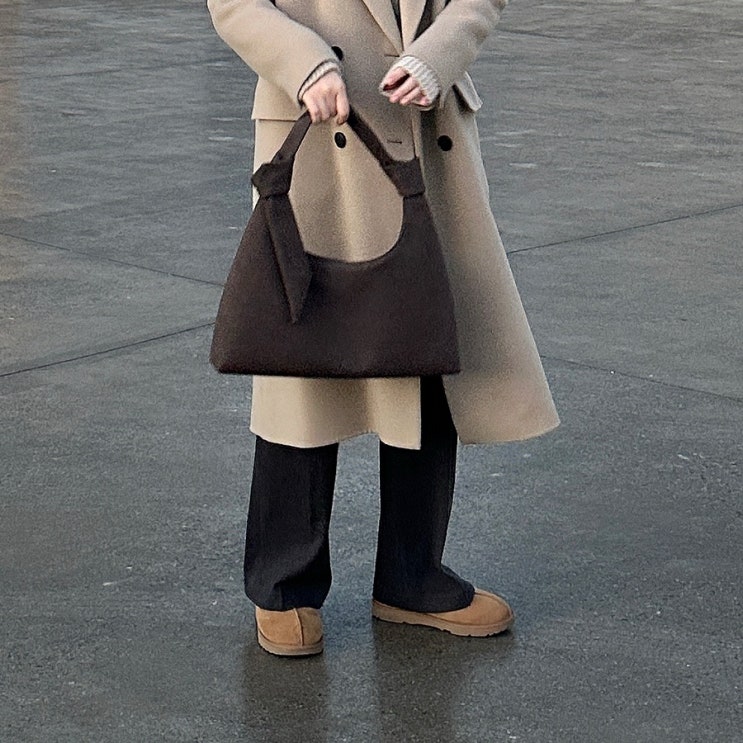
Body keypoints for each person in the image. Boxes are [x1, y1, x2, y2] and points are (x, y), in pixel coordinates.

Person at [207, 0, 559, 656]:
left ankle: (412, 576)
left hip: (424, 129)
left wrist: (439, 55)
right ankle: (284, 585)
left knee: (426, 350)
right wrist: (304, 64)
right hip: (320, 128)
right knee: (303, 361)